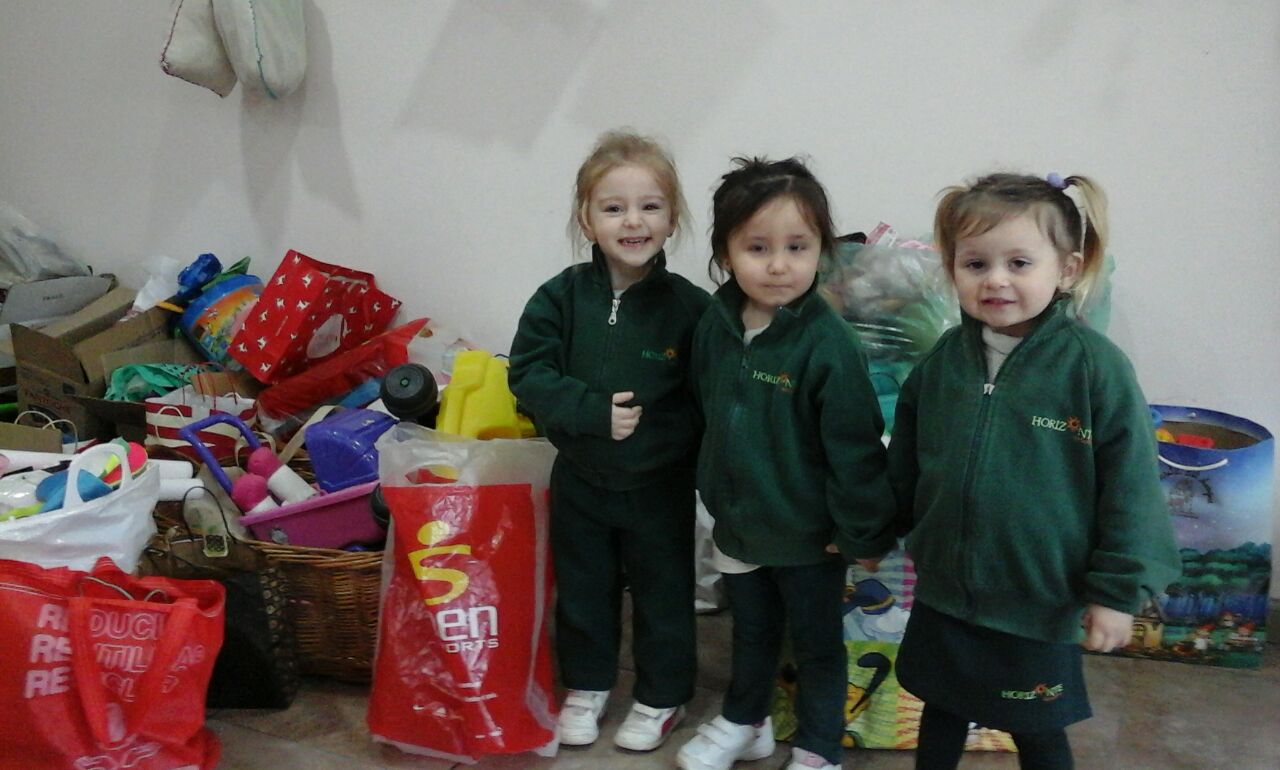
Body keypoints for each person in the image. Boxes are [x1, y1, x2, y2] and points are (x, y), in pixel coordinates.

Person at [887, 172, 1181, 769]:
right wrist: (869, 530)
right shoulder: (942, 362)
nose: (996, 279)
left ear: (1067, 270)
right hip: (945, 592)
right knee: (940, 709)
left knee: (1038, 729)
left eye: (1019, 263)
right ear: (953, 268)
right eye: (975, 264)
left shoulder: (1095, 369)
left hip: (1038, 601)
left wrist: (1117, 594)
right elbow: (905, 464)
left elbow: (1131, 489)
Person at [677, 157, 896, 770]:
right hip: (737, 523)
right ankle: (746, 722)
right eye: (758, 248)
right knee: (751, 630)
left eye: (796, 247)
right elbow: (704, 407)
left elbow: (856, 451)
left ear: (821, 249)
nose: (779, 265)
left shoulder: (827, 344)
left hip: (808, 536)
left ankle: (820, 746)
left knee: (817, 643)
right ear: (725, 252)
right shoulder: (716, 324)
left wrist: (860, 533)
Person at [508, 130, 710, 752]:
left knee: (663, 594)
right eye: (614, 207)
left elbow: (706, 400)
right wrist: (591, 412)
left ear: (672, 218)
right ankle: (588, 686)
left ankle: (663, 695)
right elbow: (527, 373)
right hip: (581, 480)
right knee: (584, 590)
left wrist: (671, 450)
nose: (633, 221)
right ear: (586, 219)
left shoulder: (691, 308)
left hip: (658, 488)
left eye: (650, 206)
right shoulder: (559, 297)